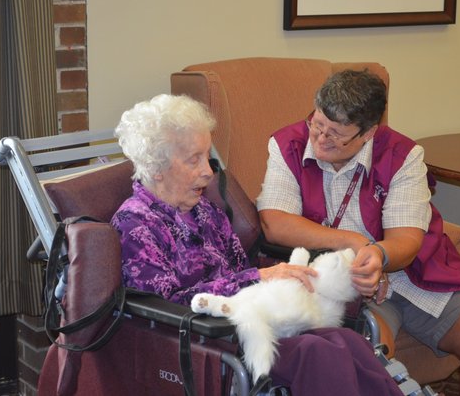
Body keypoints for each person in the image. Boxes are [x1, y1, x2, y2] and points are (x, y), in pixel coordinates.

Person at [110, 93, 404, 396]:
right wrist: (258, 278)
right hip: (208, 341)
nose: (209, 173)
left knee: (349, 342)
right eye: (193, 160)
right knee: (316, 352)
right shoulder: (136, 225)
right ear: (157, 167)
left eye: (207, 157)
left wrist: (285, 279)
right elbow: (164, 306)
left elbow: (241, 269)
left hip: (255, 322)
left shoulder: (206, 211)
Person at [256, 70, 460, 396]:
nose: (320, 139)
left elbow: (406, 241)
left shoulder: (403, 155)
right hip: (342, 284)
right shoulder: (287, 145)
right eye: (317, 124)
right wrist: (354, 243)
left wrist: (379, 255)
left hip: (414, 274)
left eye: (337, 135)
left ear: (368, 133)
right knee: (366, 354)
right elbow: (274, 222)